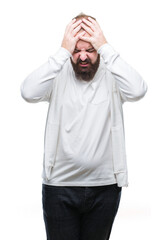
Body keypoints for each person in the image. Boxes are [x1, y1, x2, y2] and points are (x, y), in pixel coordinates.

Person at [20, 13, 148, 240]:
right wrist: (61, 51)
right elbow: (28, 92)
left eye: (90, 50)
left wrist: (106, 46)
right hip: (59, 188)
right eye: (76, 50)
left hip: (105, 187)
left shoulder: (113, 76)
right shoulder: (57, 73)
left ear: (99, 48)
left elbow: (138, 90)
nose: (82, 57)